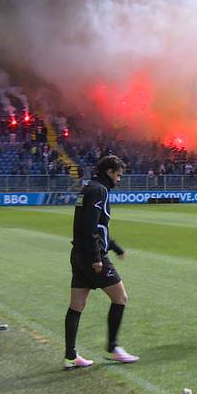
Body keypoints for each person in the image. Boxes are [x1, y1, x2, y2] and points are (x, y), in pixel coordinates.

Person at [64, 155, 139, 369]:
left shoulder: (89, 187)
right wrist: (97, 257)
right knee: (120, 298)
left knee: (76, 305)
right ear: (109, 172)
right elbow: (90, 227)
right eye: (118, 175)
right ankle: (113, 348)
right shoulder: (100, 190)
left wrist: (115, 248)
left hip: (78, 253)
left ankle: (70, 356)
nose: (119, 179)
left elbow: (94, 226)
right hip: (91, 255)